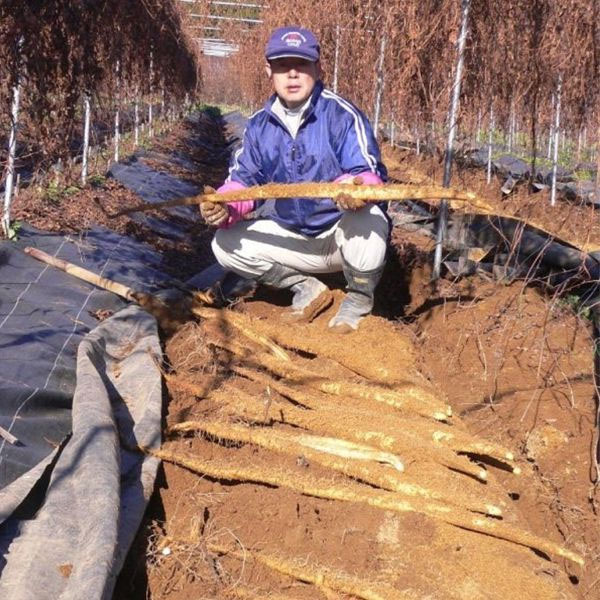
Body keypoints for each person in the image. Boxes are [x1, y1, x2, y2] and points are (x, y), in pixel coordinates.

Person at [200, 26, 389, 333]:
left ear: (317, 68)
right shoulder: (259, 126)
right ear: (269, 71)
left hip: (339, 236)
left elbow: (368, 171)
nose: (292, 75)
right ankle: (305, 286)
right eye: (282, 66)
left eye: (301, 65)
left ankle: (358, 298)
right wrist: (226, 206)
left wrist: (357, 189)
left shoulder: (341, 115)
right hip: (292, 237)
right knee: (225, 243)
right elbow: (245, 178)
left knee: (370, 219)